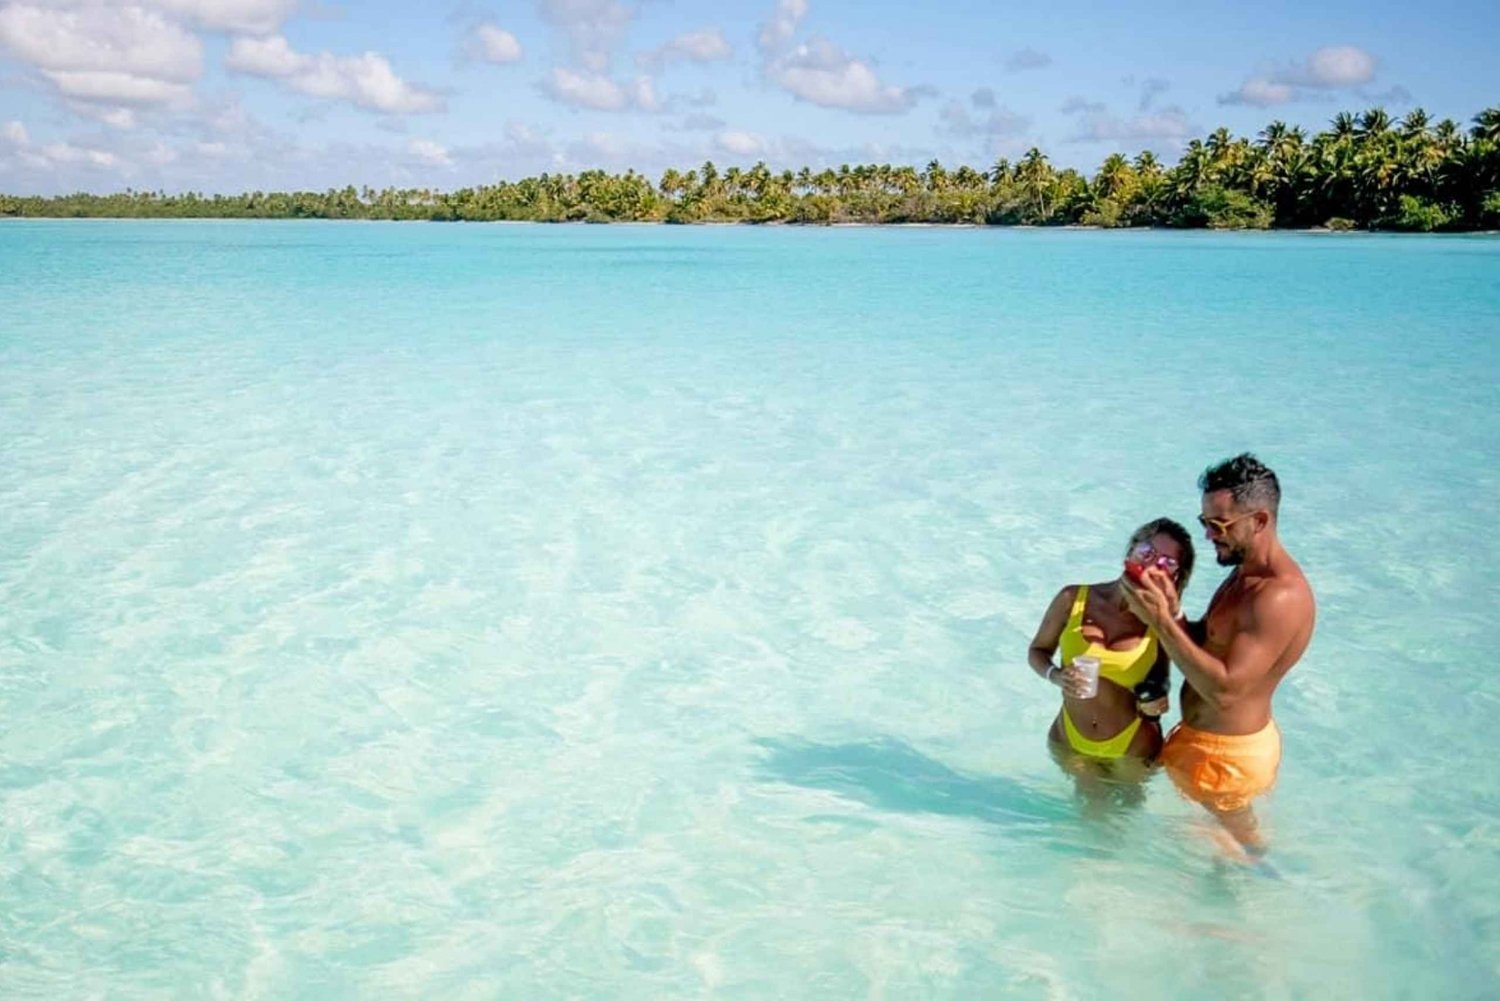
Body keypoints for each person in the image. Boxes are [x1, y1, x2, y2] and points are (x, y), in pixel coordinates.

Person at [1122, 454, 1316, 856]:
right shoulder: (1245, 574)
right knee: (1218, 856)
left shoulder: (1278, 597)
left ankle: (1255, 912)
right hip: (1209, 750)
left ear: (1259, 521)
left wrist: (1160, 622)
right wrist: (1173, 611)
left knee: (1249, 859)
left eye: (1219, 525)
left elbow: (1226, 691)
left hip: (1229, 763)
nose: (1209, 536)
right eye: (1204, 523)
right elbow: (1209, 644)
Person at [1028, 518, 1196, 794]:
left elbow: (1186, 668)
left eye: (1166, 563)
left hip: (1132, 747)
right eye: (1147, 552)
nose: (1152, 564)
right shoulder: (1073, 598)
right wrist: (1055, 675)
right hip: (1070, 739)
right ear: (1131, 550)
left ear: (1174, 577)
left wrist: (1157, 697)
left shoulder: (1162, 623)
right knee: (1086, 825)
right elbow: (1037, 651)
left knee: (1122, 830)